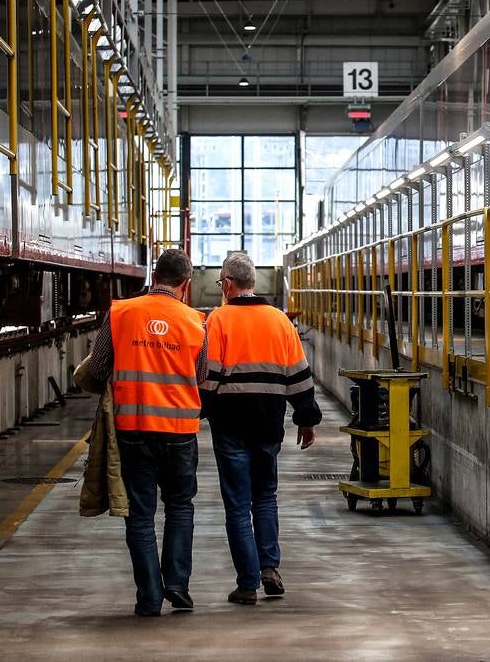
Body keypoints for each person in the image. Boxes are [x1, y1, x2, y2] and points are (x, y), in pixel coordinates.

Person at [85, 248, 206, 617]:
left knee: (139, 515)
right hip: (180, 431)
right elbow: (200, 377)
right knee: (180, 507)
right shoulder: (197, 321)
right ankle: (177, 585)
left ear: (154, 276)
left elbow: (98, 368)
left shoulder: (120, 313)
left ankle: (150, 597)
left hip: (133, 429)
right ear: (185, 284)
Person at [201, 252, 321, 605]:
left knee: (238, 504)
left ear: (227, 284)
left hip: (231, 425)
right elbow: (299, 375)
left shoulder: (218, 320)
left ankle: (248, 583)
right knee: (265, 496)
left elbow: (208, 377)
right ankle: (269, 567)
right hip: (269, 423)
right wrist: (306, 419)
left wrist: (201, 413)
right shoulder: (280, 321)